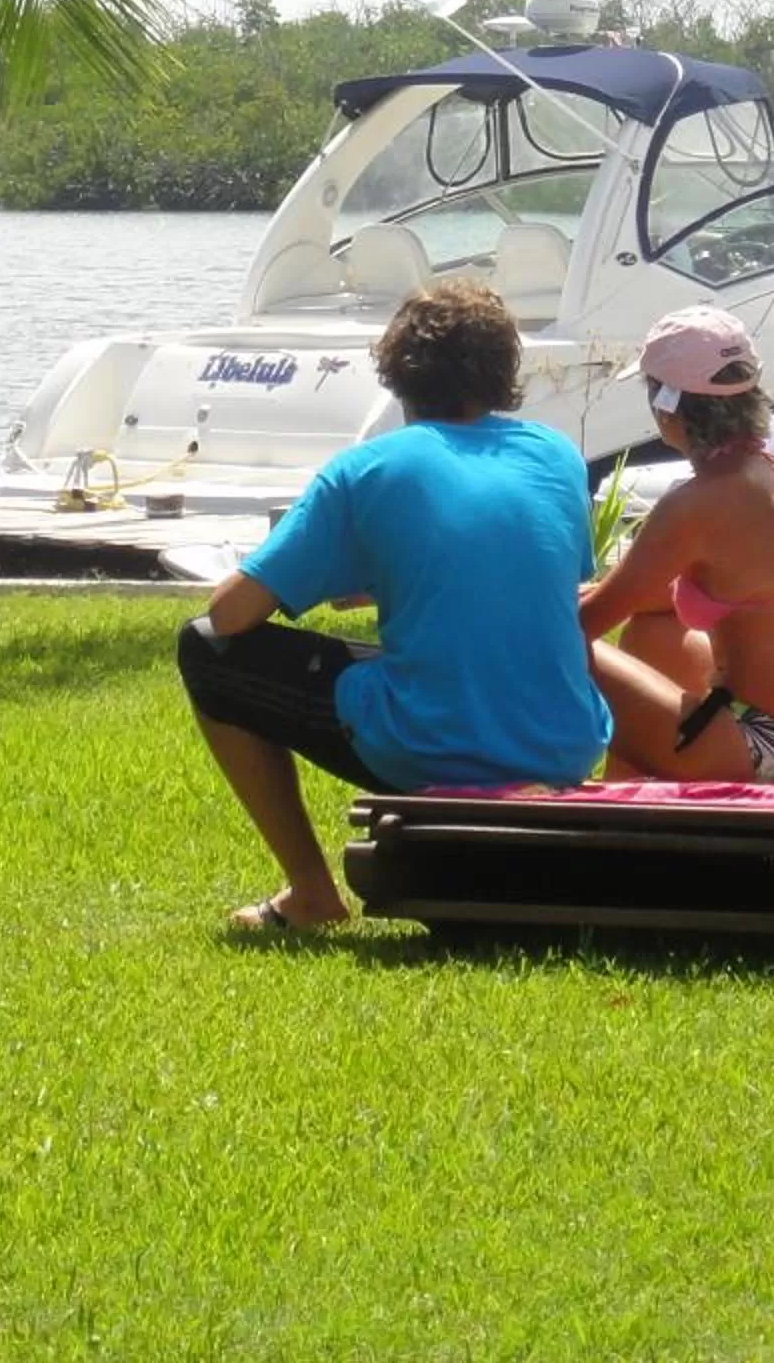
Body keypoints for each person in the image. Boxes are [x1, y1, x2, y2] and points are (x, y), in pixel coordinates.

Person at [178, 280, 611, 933]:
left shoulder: (363, 470)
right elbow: (514, 580)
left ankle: (310, 895)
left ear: (398, 373)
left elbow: (231, 616)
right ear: (502, 372)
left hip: (440, 743)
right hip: (563, 744)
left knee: (203, 647)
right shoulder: (556, 456)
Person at [580, 307, 774, 786]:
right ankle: (626, 802)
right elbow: (654, 595)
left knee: (552, 644)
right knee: (653, 630)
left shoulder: (698, 502)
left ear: (667, 407)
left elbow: (585, 625)